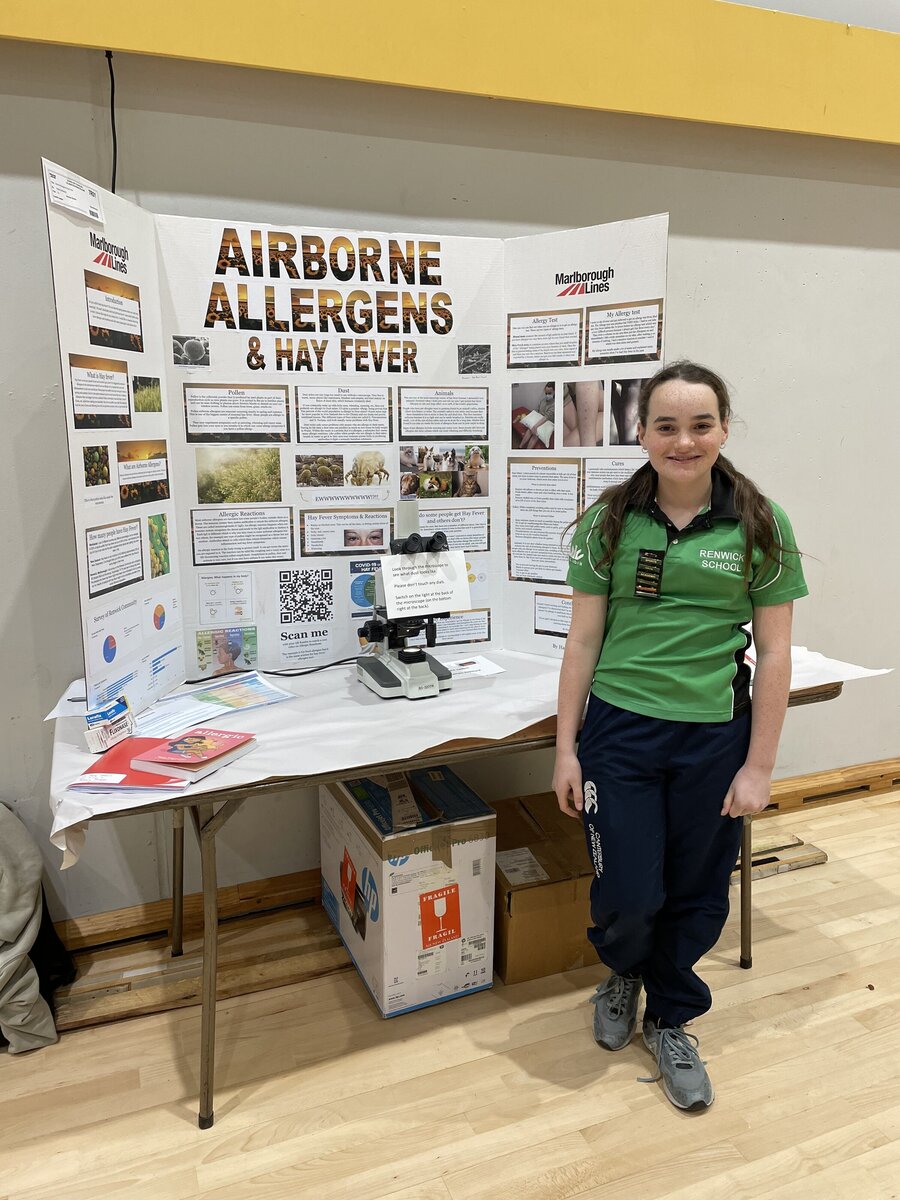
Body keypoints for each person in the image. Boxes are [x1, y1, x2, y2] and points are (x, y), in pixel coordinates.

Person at [553, 360, 807, 1112]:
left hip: (713, 737)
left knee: (698, 892)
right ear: (642, 433)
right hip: (620, 732)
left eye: (701, 425)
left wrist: (759, 767)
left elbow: (778, 654)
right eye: (666, 426)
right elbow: (581, 643)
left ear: (724, 430)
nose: (684, 441)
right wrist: (567, 749)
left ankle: (671, 1014)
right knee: (629, 892)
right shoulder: (609, 521)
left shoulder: (760, 522)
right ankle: (624, 970)